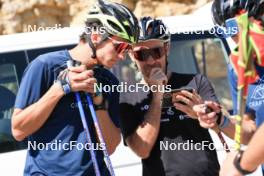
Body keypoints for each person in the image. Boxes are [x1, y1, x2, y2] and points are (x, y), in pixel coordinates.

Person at [11, 1, 139, 175]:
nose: (123, 56)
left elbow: (109, 148)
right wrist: (59, 90)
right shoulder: (45, 66)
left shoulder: (109, 81)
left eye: (129, 49)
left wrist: (99, 102)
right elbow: (18, 130)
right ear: (95, 37)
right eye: (121, 47)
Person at [119, 17, 220, 176]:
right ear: (132, 56)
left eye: (156, 51)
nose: (151, 60)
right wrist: (158, 95)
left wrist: (202, 115)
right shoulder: (128, 98)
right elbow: (142, 149)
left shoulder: (196, 81)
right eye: (142, 54)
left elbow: (220, 124)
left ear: (166, 49)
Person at [194, 0, 264, 175]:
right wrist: (221, 120)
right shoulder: (239, 67)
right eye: (224, 30)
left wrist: (240, 165)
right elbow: (251, 128)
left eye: (233, 27)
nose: (232, 37)